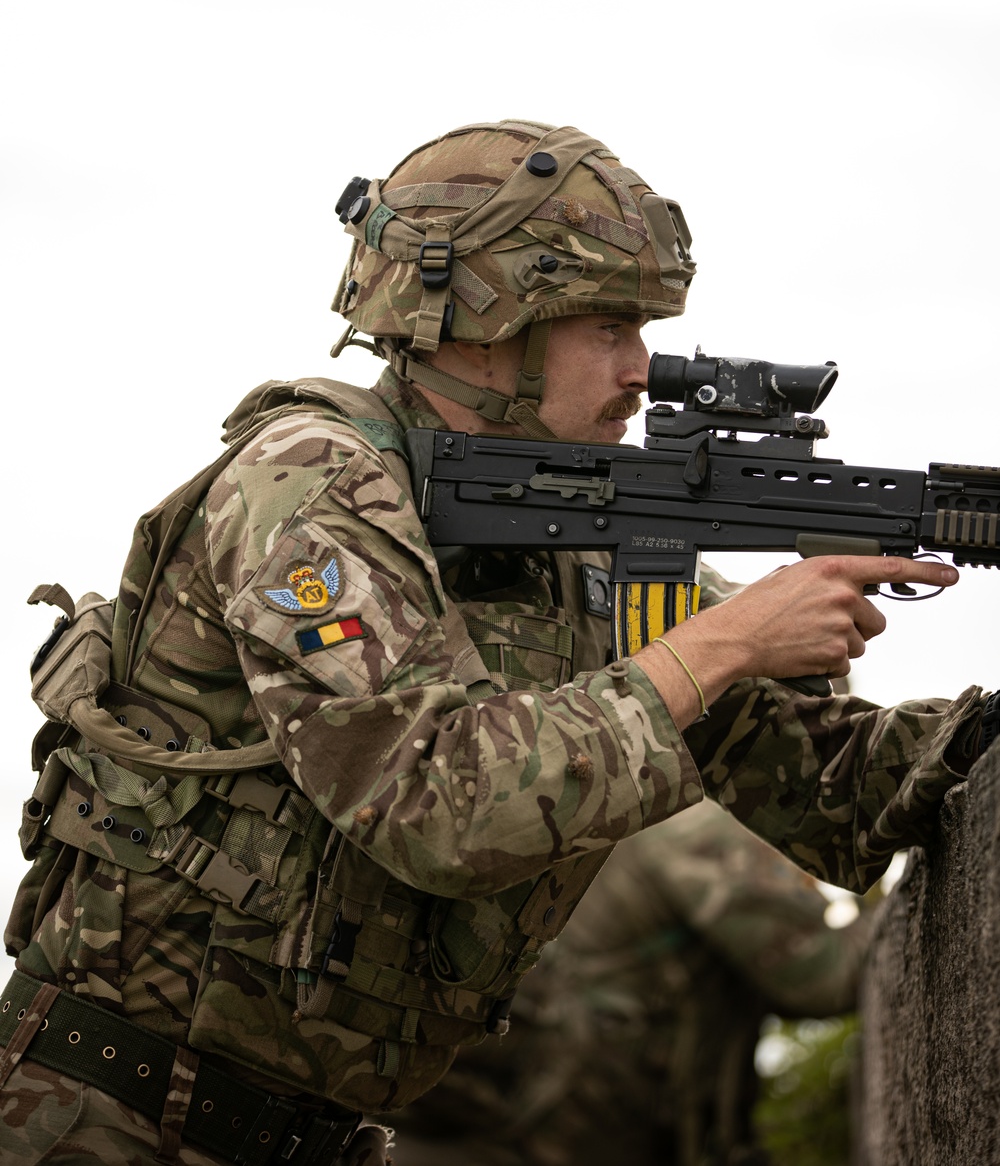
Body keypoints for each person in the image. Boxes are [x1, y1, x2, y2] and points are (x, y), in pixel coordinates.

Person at [0, 120, 984, 1166]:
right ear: (482, 320)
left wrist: (966, 742)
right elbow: (437, 803)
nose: (641, 371)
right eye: (607, 327)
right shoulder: (308, 481)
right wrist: (727, 642)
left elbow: (831, 791)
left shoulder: (577, 551)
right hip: (98, 1123)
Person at [387, 796, 872, 1166]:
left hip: (483, 1129)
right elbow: (824, 977)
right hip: (568, 1134)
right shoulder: (692, 824)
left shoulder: (624, 797)